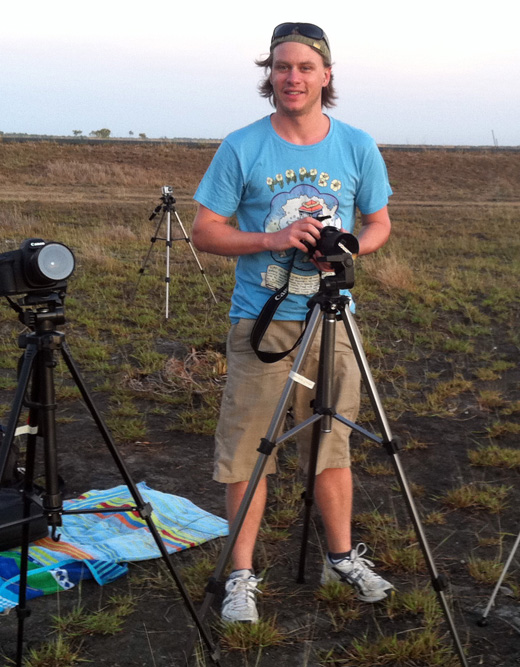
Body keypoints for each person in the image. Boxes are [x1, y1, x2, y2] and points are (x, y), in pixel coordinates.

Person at [191, 22, 394, 624]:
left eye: (306, 67)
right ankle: (241, 577)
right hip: (264, 319)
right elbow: (205, 230)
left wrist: (351, 246)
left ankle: (340, 557)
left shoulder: (357, 145)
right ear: (269, 76)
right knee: (248, 450)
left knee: (331, 444)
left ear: (327, 76)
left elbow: (379, 222)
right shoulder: (242, 146)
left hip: (333, 320)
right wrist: (274, 237)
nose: (293, 78)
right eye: (282, 67)